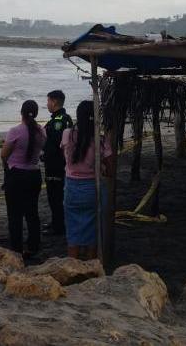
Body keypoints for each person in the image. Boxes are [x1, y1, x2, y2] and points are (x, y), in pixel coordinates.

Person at [60, 100, 113, 260]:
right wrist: (102, 169)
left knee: (73, 231)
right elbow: (110, 169)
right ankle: (91, 268)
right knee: (93, 231)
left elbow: (66, 153)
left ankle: (73, 266)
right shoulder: (100, 140)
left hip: (72, 188)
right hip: (92, 188)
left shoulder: (67, 134)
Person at [1, 100, 47, 258]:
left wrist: (6, 167)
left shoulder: (15, 131)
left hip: (17, 175)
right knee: (32, 212)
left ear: (21, 112)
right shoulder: (41, 131)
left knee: (14, 214)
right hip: (34, 174)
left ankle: (17, 248)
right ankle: (33, 246)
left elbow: (4, 155)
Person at [42, 90, 73, 235]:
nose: (47, 104)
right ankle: (57, 221)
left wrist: (45, 155)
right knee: (57, 195)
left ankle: (58, 226)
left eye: (48, 101)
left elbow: (55, 144)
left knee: (55, 195)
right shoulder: (65, 118)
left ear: (54, 102)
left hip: (55, 165)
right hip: (61, 163)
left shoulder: (58, 121)